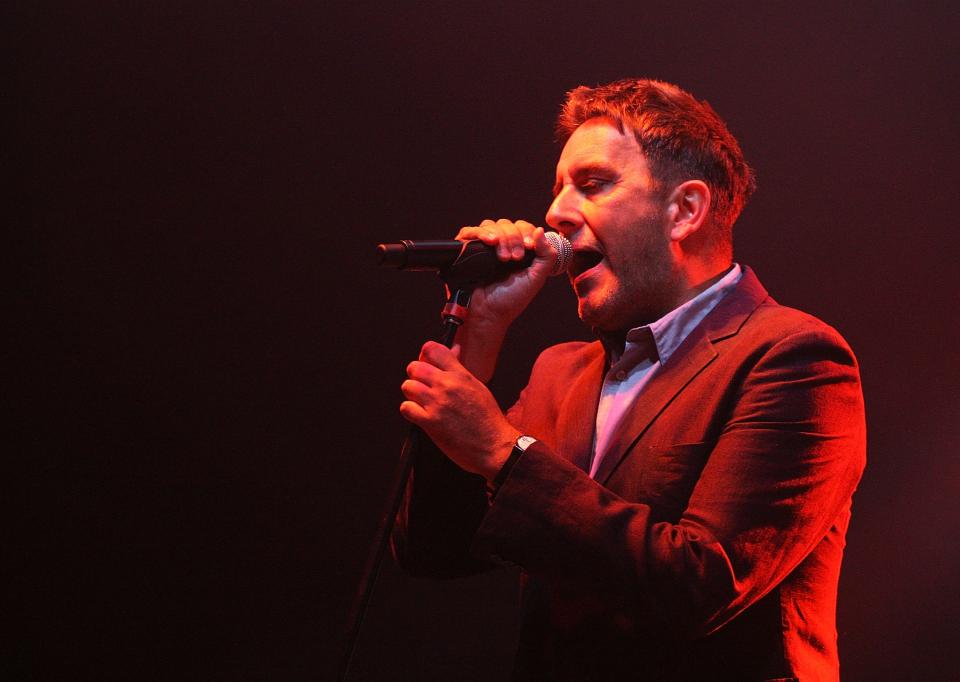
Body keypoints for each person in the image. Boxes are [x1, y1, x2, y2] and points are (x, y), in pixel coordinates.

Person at [392, 78, 866, 681]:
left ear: (685, 211)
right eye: (558, 188)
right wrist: (479, 336)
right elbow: (434, 550)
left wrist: (500, 452)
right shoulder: (560, 371)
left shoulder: (794, 357)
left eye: (592, 185)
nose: (555, 214)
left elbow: (701, 584)